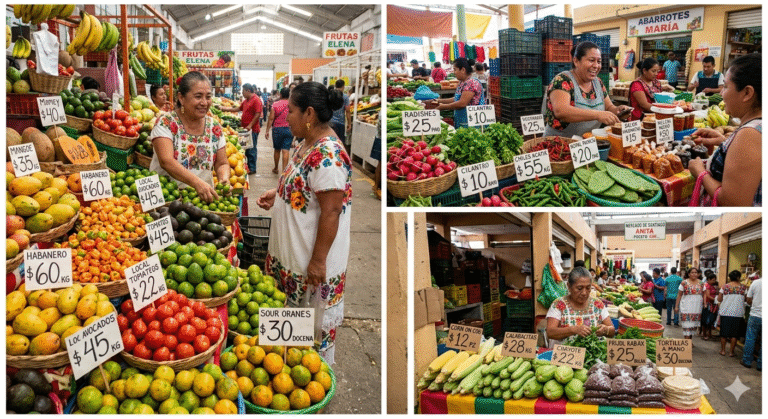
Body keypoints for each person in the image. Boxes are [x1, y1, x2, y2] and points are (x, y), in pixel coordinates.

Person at [256, 81, 352, 365]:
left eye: (292, 111)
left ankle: (308, 390)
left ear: (309, 114)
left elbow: (332, 211)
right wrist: (280, 193)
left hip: (308, 261)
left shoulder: (329, 156)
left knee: (307, 347)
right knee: (287, 340)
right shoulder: (304, 143)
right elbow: (305, 188)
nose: (286, 118)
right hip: (290, 256)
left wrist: (318, 261)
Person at [688, 53, 761, 207]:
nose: (721, 93)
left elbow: (733, 202)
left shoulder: (750, 134)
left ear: (747, 93)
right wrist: (725, 141)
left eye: (726, 87)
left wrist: (700, 172)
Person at [150, 71, 230, 202]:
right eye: (198, 96)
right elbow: (166, 161)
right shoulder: (166, 122)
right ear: (181, 98)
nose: (204, 102)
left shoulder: (214, 127)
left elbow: (222, 163)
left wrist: (224, 178)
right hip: (167, 201)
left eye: (208, 97)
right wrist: (197, 183)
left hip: (202, 202)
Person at [542, 41, 630, 136]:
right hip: (560, 144)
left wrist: (619, 110)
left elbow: (609, 107)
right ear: (576, 61)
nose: (596, 66)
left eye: (599, 61)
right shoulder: (563, 80)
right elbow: (561, 111)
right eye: (591, 60)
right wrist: (597, 114)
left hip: (586, 144)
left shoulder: (598, 82)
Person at [545, 267, 615, 346]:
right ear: (569, 286)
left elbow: (612, 330)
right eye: (579, 288)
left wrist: (606, 330)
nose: (584, 293)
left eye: (588, 288)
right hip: (564, 355)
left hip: (591, 355)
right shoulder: (558, 304)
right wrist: (573, 330)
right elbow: (550, 332)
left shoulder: (597, 304)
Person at [218, 84, 263, 174]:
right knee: (246, 148)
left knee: (251, 149)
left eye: (243, 92)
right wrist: (224, 109)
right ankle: (247, 167)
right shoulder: (246, 100)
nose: (242, 93)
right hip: (244, 129)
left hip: (252, 129)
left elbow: (258, 114)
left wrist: (250, 125)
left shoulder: (256, 100)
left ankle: (252, 168)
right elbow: (238, 108)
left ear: (248, 91)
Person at [428, 58, 485, 128]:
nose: (454, 72)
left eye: (455, 69)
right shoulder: (462, 82)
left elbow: (462, 103)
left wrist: (443, 107)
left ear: (463, 70)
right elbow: (457, 98)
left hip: (471, 123)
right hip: (463, 120)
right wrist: (439, 100)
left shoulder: (472, 83)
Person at [718, 270, 747, 357]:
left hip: (726, 312)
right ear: (739, 277)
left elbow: (719, 299)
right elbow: (746, 299)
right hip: (737, 313)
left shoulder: (725, 287)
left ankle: (723, 351)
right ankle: (731, 352)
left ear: (729, 277)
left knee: (724, 333)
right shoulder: (743, 288)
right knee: (734, 334)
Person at [264, 87, 292, 174]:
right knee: (286, 150)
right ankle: (284, 171)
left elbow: (271, 118)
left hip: (277, 129)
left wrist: (267, 130)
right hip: (289, 129)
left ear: (280, 94)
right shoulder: (292, 104)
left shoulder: (275, 104)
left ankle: (276, 168)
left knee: (277, 150)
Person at [675, 267, 703, 342]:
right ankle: (687, 343)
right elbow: (679, 295)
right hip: (686, 307)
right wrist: (676, 306)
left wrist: (705, 303)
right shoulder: (684, 283)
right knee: (687, 325)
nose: (694, 274)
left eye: (696, 272)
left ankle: (689, 341)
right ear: (689, 274)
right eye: (692, 272)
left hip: (697, 308)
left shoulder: (701, 283)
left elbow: (704, 294)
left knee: (693, 326)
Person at [742, 275, 761, 370]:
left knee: (750, 338)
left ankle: (747, 361)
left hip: (755, 315)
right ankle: (761, 364)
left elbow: (748, 300)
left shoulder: (756, 283)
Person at [329, 79, 350, 146]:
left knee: (330, 142)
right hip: (340, 123)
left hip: (330, 122)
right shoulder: (345, 97)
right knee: (339, 143)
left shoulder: (330, 95)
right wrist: (349, 123)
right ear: (343, 86)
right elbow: (348, 111)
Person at [702, 273, 719, 340]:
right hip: (708, 304)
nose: (714, 281)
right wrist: (716, 300)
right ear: (708, 279)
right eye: (713, 280)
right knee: (705, 320)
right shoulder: (707, 285)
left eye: (715, 280)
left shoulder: (712, 285)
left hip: (712, 305)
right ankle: (704, 334)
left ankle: (709, 334)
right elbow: (708, 295)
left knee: (711, 320)